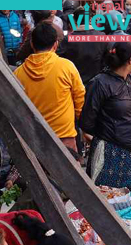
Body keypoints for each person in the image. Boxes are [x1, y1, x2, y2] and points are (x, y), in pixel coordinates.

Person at [83, 42, 131, 194]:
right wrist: (102, 138)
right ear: (130, 60)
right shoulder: (100, 83)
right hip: (110, 152)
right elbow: (87, 121)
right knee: (108, 200)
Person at [15, 22, 86, 157]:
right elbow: (80, 99)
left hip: (35, 138)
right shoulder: (66, 67)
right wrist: (83, 126)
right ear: (55, 44)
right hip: (64, 136)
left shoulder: (19, 74)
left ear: (32, 44)